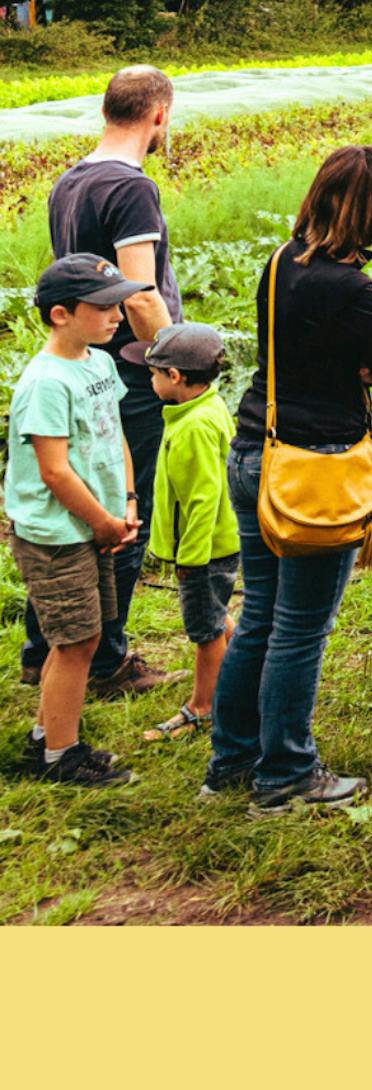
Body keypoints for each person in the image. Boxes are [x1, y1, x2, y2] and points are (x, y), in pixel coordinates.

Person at [211, 146, 372, 815]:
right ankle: (286, 774)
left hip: (257, 451)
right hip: (315, 464)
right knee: (301, 626)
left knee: (259, 617)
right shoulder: (348, 286)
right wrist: (358, 363)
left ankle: (232, 759)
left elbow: (304, 347)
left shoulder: (281, 261)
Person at [23, 66, 183, 698]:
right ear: (159, 116)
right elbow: (140, 296)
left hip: (85, 364)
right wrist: (174, 358)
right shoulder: (132, 188)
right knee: (121, 508)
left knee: (76, 510)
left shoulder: (71, 180)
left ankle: (46, 649)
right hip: (127, 373)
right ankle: (108, 657)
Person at [10, 255, 151, 785]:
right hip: (60, 534)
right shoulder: (46, 381)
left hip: (97, 524)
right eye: (103, 307)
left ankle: (47, 737)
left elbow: (114, 436)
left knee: (83, 640)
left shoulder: (99, 363)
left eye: (118, 303)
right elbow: (54, 471)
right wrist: (102, 522)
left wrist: (129, 502)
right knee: (75, 645)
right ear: (60, 315)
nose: (117, 315)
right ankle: (61, 759)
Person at [120, 323, 239, 742]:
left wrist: (190, 558)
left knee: (205, 633)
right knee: (216, 613)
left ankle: (202, 708)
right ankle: (247, 666)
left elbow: (203, 499)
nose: (148, 380)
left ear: (174, 377)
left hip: (203, 552)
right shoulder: (205, 408)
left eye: (152, 372)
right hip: (215, 546)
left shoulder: (192, 427)